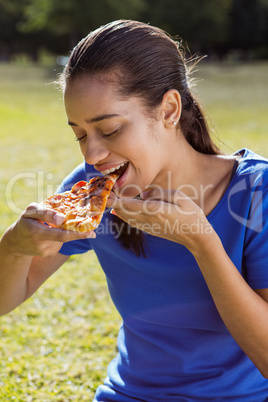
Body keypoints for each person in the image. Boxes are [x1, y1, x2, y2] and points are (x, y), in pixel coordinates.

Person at [1, 19, 268, 401]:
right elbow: (6, 299)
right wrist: (14, 245)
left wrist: (202, 242)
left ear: (169, 110)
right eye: (79, 134)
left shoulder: (255, 192)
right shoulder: (92, 190)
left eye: (108, 130)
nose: (92, 153)